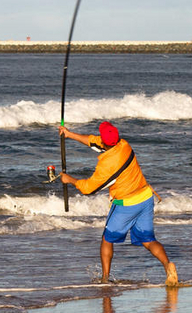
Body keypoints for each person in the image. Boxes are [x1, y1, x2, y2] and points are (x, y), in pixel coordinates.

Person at [59, 121, 178, 286]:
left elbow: (88, 189)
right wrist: (69, 134)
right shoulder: (123, 145)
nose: (99, 137)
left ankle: (105, 279)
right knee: (148, 240)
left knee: (107, 239)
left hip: (126, 204)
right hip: (145, 197)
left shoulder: (107, 165)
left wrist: (69, 180)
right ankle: (168, 266)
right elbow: (95, 141)